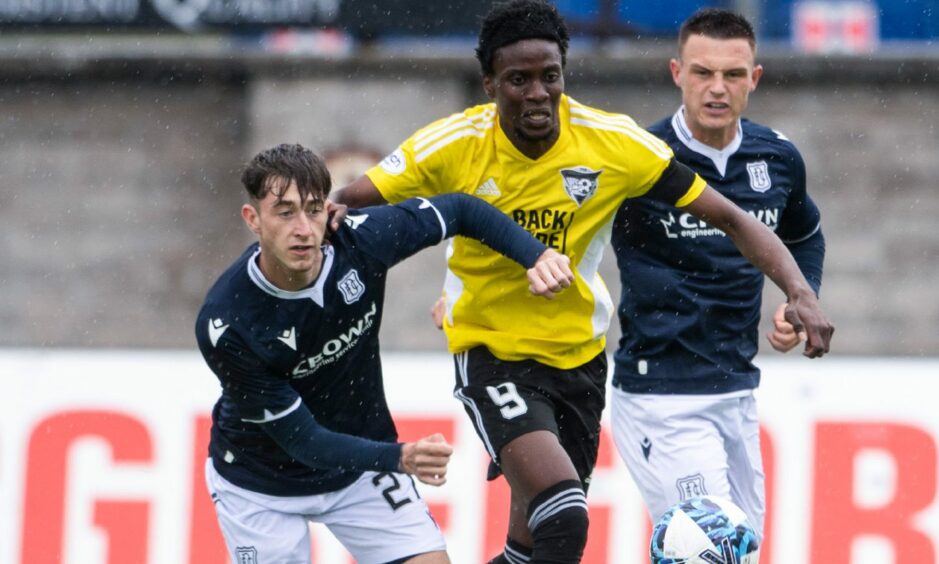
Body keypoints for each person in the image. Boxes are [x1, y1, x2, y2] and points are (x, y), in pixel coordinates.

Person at [331, 1, 833, 561]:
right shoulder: (452, 144)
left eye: (551, 77)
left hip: (582, 362)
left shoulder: (613, 145)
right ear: (490, 84)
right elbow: (346, 206)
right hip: (498, 356)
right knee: (568, 514)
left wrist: (801, 293)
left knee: (542, 548)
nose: (538, 94)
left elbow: (735, 218)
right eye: (519, 81)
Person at [195, 143, 574, 564]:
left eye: (313, 209)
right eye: (284, 212)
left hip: (360, 469)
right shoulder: (228, 322)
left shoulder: (361, 239)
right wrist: (400, 457)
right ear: (254, 220)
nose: (303, 228)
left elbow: (461, 210)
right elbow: (302, 441)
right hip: (259, 486)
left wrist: (536, 255)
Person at [609, 8, 827, 540]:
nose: (716, 88)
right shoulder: (641, 159)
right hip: (660, 396)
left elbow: (805, 236)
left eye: (732, 75)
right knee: (711, 547)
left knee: (739, 551)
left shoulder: (776, 156)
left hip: (735, 390)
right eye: (702, 72)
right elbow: (557, 227)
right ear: (676, 73)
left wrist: (802, 297)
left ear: (754, 78)